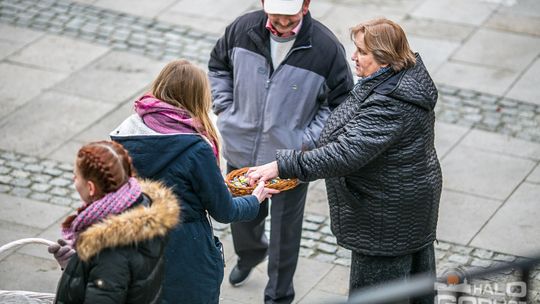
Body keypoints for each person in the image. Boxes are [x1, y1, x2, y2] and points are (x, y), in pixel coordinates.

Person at [247, 18, 443, 303]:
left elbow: (345, 152)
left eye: (362, 52)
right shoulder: (394, 82)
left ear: (385, 59)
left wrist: (283, 165)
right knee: (415, 288)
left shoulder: (391, 102)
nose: (354, 56)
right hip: (405, 206)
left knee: (376, 293)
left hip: (386, 219)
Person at [208, 0, 354, 302]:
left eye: (290, 16)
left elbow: (339, 105)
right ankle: (251, 253)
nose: (284, 24)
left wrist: (306, 142)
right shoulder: (241, 29)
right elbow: (218, 67)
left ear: (306, 5)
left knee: (286, 231)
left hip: (289, 161)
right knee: (243, 218)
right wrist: (225, 108)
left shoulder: (326, 48)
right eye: (277, 16)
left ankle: (279, 294)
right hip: (241, 150)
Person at [110, 59, 279, 304]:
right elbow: (225, 210)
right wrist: (255, 199)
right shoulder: (195, 148)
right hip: (185, 251)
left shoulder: (125, 131)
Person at [47, 140, 180, 303]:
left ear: (91, 188)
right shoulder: (143, 209)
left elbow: (108, 281)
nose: (74, 180)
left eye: (76, 176)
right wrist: (76, 265)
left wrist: (87, 261)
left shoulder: (108, 250)